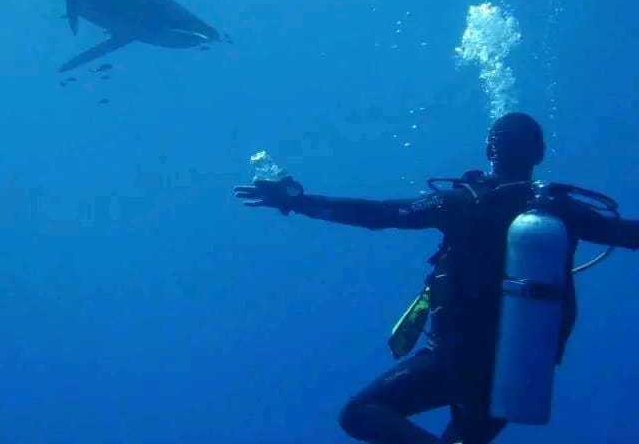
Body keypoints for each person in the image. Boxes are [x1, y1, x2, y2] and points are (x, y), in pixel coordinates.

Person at [234, 112, 639, 444]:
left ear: (489, 150)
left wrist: (298, 201)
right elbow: (627, 234)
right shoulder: (561, 211)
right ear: (540, 153)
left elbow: (379, 214)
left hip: (456, 359)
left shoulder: (458, 203)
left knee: (359, 413)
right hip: (522, 365)